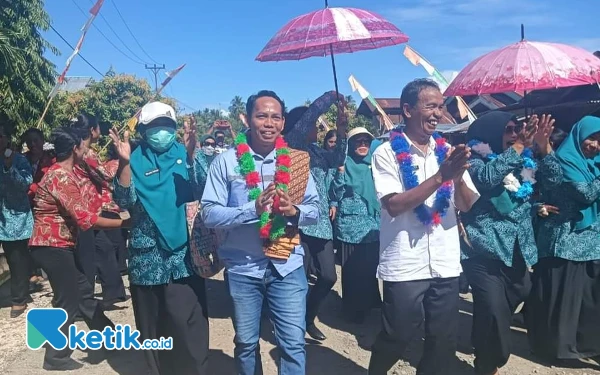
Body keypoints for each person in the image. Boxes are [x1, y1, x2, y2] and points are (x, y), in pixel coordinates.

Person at [201, 90, 320, 375]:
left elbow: (315, 210)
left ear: (282, 122)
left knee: (293, 344)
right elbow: (209, 213)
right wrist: (251, 210)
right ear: (246, 119)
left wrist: (295, 212)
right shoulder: (226, 162)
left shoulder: (297, 161)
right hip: (243, 269)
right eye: (261, 115)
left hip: (288, 265)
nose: (269, 123)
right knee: (245, 344)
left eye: (275, 117)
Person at [368, 78, 480, 375]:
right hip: (406, 263)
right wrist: (441, 177)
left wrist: (455, 177)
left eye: (440, 107)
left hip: (445, 262)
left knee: (443, 341)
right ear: (407, 109)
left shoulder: (448, 152)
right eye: (430, 106)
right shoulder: (386, 152)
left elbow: (466, 205)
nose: (437, 113)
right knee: (399, 334)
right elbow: (393, 204)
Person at [110, 101, 210, 375]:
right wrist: (125, 163)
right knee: (152, 326)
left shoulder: (184, 154)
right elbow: (123, 200)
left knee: (188, 323)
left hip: (184, 258)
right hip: (147, 259)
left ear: (175, 128)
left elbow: (203, 189)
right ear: (143, 130)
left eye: (166, 126)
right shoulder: (134, 157)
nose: (161, 132)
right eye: (154, 127)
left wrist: (192, 155)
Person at [461, 112, 560, 375]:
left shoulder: (523, 160)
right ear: (490, 132)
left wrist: (544, 146)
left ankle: (483, 344)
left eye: (518, 129)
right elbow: (486, 180)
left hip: (517, 250)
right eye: (508, 129)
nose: (515, 134)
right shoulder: (474, 158)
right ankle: (489, 363)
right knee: (493, 310)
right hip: (483, 249)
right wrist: (518, 147)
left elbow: (554, 182)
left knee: (511, 301)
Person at [29, 127, 119, 371]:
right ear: (74, 149)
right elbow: (85, 219)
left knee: (83, 293)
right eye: (84, 145)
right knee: (67, 301)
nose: (87, 149)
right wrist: (124, 223)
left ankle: (109, 337)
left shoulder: (70, 174)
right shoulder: (60, 177)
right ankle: (55, 358)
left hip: (61, 245)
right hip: (52, 246)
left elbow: (89, 203)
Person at [528, 116, 600, 365]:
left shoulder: (594, 165)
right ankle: (556, 349)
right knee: (563, 300)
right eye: (592, 138)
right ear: (579, 136)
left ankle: (588, 346)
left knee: (589, 299)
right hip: (565, 240)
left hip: (592, 241)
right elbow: (585, 194)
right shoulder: (565, 160)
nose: (595, 145)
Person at [283, 90, 347, 340]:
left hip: (319, 224)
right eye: (314, 126)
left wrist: (341, 131)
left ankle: (308, 317)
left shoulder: (317, 152)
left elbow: (339, 158)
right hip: (295, 222)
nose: (318, 131)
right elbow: (307, 116)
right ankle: (293, 326)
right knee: (295, 282)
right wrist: (331, 97)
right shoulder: (292, 144)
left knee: (329, 276)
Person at [71, 113, 127, 308]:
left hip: (91, 208)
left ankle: (114, 293)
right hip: (85, 209)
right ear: (91, 130)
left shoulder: (82, 150)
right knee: (87, 256)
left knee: (104, 249)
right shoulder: (86, 151)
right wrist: (122, 156)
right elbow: (107, 174)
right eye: (97, 128)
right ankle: (82, 304)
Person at [331, 127, 382, 324]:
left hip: (372, 226)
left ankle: (370, 304)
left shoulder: (375, 165)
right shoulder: (343, 164)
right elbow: (334, 194)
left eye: (366, 142)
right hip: (349, 226)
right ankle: (352, 310)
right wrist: (341, 174)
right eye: (358, 141)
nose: (362, 145)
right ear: (350, 145)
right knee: (352, 270)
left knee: (370, 268)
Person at [0, 124, 33, 318]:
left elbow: (25, 184)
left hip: (17, 220)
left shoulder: (20, 160)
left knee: (17, 259)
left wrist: (9, 167)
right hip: (1, 219)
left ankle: (19, 299)